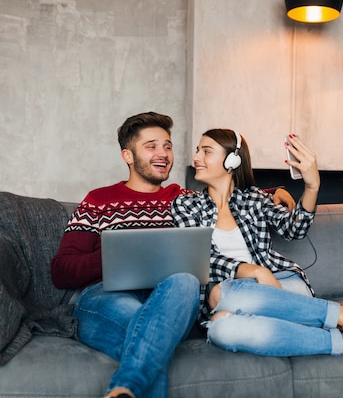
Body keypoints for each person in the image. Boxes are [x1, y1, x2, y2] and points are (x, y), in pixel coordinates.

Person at [50, 113, 295, 398]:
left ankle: (124, 388)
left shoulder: (182, 199)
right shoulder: (98, 200)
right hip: (106, 295)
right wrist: (121, 254)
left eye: (167, 146)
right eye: (151, 146)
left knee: (185, 281)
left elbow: (229, 195)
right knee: (150, 330)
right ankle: (126, 387)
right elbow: (61, 271)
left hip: (171, 297)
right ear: (128, 156)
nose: (163, 154)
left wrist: (276, 191)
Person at [171, 129, 343, 377]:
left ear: (231, 160)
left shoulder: (255, 200)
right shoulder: (185, 204)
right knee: (220, 328)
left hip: (282, 285)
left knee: (226, 299)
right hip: (232, 293)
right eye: (197, 151)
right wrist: (253, 271)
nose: (196, 158)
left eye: (206, 151)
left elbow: (294, 229)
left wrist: (312, 186)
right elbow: (201, 256)